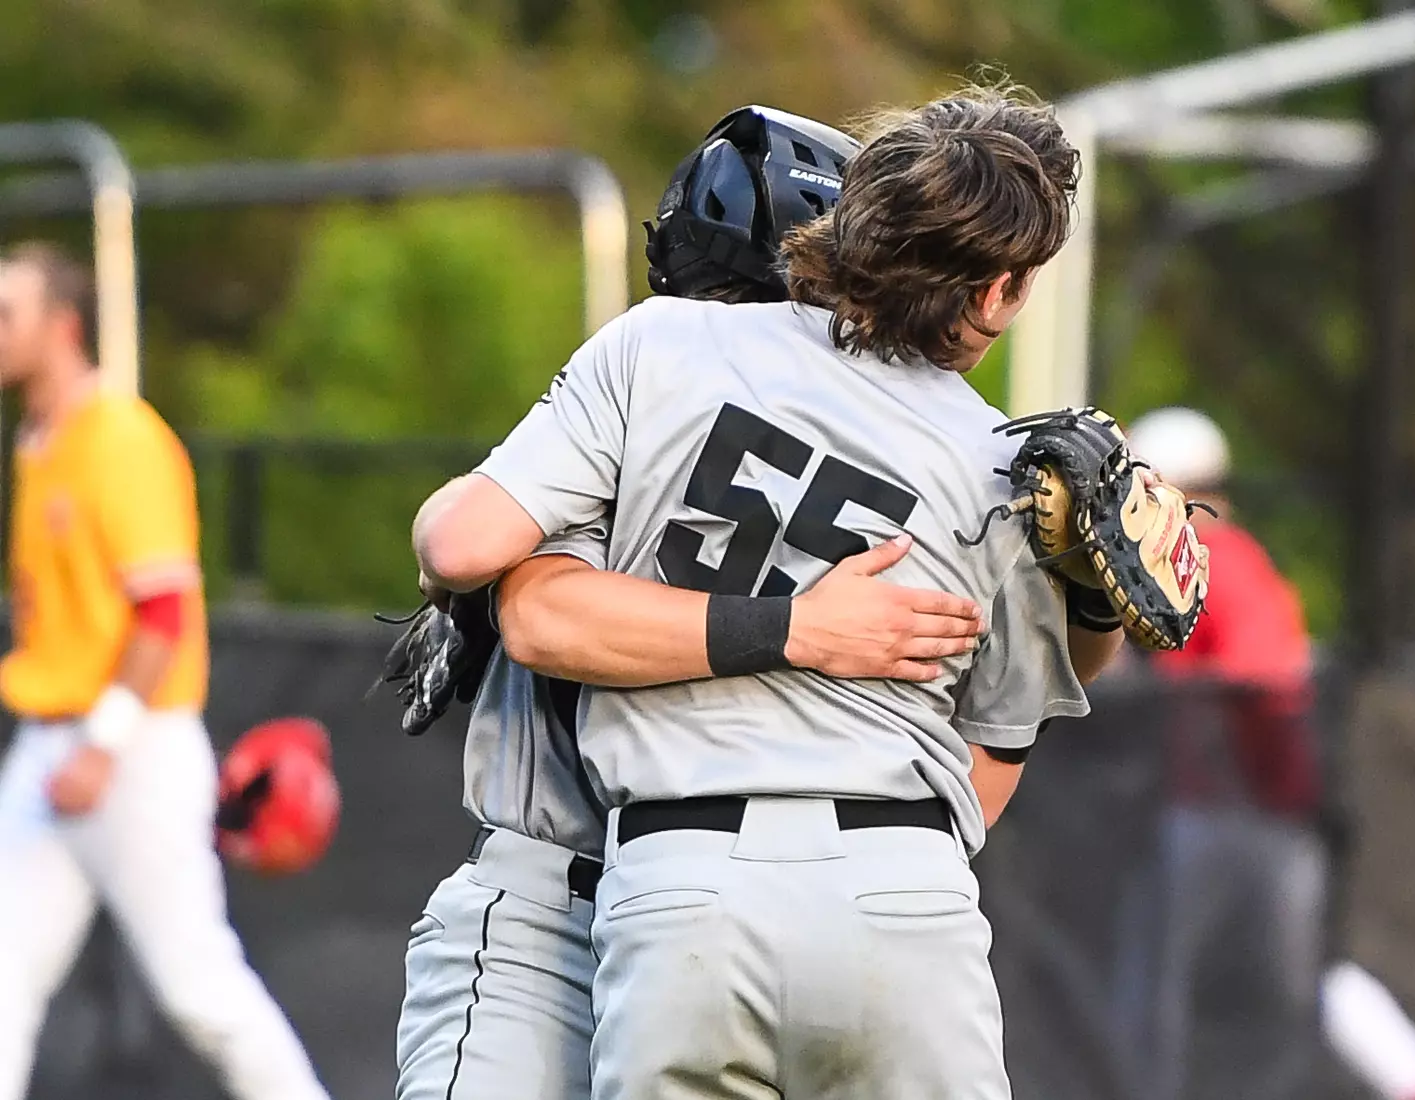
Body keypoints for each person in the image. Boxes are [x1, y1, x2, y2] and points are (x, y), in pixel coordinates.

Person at [411, 85, 1123, 1099]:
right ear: (996, 288)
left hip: (661, 885)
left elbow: (471, 552)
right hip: (887, 881)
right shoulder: (997, 462)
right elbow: (994, 751)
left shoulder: (655, 352)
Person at [0, 242, 330, 1100]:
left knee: (199, 994)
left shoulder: (121, 439)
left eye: (8, 314)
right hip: (51, 747)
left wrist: (103, 746)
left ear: (64, 326)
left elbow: (167, 612)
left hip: (129, 748)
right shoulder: (40, 439)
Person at [1115, 406, 1415, 1100]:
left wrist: (1263, 774)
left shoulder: (1214, 558)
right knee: (1302, 975)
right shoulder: (1219, 559)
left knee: (1150, 983)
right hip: (1263, 814)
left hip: (1222, 815)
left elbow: (1263, 685)